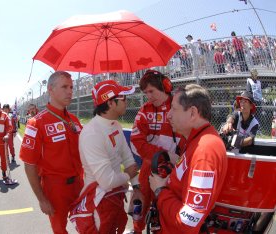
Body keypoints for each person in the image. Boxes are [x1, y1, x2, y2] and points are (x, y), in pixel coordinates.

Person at [149, 84, 228, 233]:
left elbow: (188, 222)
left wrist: (160, 191)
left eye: (174, 108)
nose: (169, 115)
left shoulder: (205, 151)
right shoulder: (196, 141)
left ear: (192, 113)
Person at [69, 80, 142, 233]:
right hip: (99, 202)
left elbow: (128, 159)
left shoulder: (114, 124)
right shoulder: (92, 134)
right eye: (123, 98)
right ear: (110, 103)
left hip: (116, 195)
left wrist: (136, 187)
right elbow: (107, 181)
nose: (126, 102)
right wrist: (128, 175)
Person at [19, 71, 83, 234]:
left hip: (80, 184)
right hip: (55, 190)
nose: (70, 91)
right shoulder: (36, 123)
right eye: (64, 87)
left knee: (88, 226)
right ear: (50, 89)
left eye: (71, 87)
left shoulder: (74, 121)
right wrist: (42, 199)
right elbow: (29, 165)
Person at [130, 70, 185, 233]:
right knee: (142, 203)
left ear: (165, 87)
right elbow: (137, 141)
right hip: (150, 166)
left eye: (151, 91)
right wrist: (163, 156)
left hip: (176, 168)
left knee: (167, 207)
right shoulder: (144, 110)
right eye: (145, 92)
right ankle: (137, 229)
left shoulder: (179, 107)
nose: (148, 96)